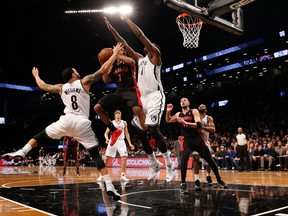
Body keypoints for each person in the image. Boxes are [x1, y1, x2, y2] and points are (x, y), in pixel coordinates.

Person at [2, 43, 124, 201]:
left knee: (41, 136)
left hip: (66, 120)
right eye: (76, 70)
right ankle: (109, 185)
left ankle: (22, 151)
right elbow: (101, 71)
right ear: (73, 74)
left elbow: (43, 86)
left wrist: (36, 76)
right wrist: (114, 54)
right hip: (82, 123)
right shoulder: (85, 81)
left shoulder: (61, 87)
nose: (78, 71)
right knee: (95, 155)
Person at [103, 15, 175, 182]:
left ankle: (169, 164)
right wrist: (112, 29)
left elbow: (141, 36)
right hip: (144, 99)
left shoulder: (155, 56)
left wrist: (127, 20)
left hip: (156, 96)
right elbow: (124, 43)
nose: (150, 46)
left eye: (152, 45)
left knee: (152, 128)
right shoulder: (138, 59)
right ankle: (153, 163)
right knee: (140, 130)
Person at [166, 97, 227, 194]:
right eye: (181, 101)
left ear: (189, 102)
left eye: (185, 100)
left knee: (210, 160)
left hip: (197, 138)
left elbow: (198, 124)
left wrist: (185, 122)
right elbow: (168, 120)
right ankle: (183, 183)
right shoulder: (178, 114)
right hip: (186, 140)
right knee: (184, 160)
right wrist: (168, 112)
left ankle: (219, 179)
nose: (183, 101)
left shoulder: (194, 111)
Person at [94, 42, 147, 146]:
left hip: (130, 90)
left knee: (137, 109)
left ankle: (148, 130)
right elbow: (106, 80)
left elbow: (132, 62)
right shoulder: (113, 67)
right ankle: (113, 130)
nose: (123, 51)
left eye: (123, 50)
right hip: (119, 92)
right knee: (97, 108)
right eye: (121, 50)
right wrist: (103, 63)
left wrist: (116, 54)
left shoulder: (128, 61)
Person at [98, 110, 135, 182]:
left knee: (124, 158)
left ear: (121, 115)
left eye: (119, 113)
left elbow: (127, 133)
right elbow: (106, 133)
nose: (118, 115)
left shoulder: (124, 122)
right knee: (107, 158)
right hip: (113, 141)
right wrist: (107, 139)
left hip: (121, 141)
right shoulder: (112, 123)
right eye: (116, 113)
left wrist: (130, 143)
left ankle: (123, 175)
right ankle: (102, 175)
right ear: (115, 115)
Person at [198, 104, 216, 187]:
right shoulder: (195, 116)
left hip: (205, 141)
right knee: (195, 158)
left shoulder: (208, 118)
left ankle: (208, 175)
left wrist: (201, 127)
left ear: (206, 110)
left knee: (209, 161)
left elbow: (213, 129)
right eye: (200, 105)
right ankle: (196, 178)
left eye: (203, 106)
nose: (201, 106)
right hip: (195, 141)